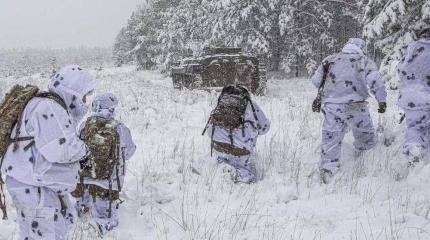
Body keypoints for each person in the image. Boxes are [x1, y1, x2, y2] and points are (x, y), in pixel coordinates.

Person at [0, 65, 98, 239]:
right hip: (36, 190)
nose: (84, 101)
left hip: (35, 187)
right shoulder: (49, 107)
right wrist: (85, 153)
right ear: (72, 90)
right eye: (84, 95)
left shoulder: (43, 104)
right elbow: (62, 149)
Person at [311, 38, 387, 183]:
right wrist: (381, 100)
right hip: (356, 106)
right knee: (366, 136)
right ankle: (365, 162)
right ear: (361, 48)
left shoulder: (330, 59)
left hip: (332, 107)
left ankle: (327, 170)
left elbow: (316, 81)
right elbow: (375, 81)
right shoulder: (364, 61)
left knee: (331, 139)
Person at [74, 93, 136, 235]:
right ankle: (105, 232)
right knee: (105, 218)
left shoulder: (84, 126)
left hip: (84, 178)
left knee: (81, 213)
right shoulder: (120, 128)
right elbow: (130, 153)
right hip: (108, 182)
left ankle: (79, 232)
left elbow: (75, 150)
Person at [203, 85, 270, 184]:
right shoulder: (251, 105)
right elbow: (265, 128)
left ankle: (222, 171)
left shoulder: (222, 103)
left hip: (218, 146)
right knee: (244, 175)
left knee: (220, 165)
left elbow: (209, 130)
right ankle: (243, 181)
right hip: (240, 150)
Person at [396, 26, 430, 165]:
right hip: (426, 94)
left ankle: (414, 151)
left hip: (410, 97)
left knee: (415, 127)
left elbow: (400, 69)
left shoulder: (411, 48)